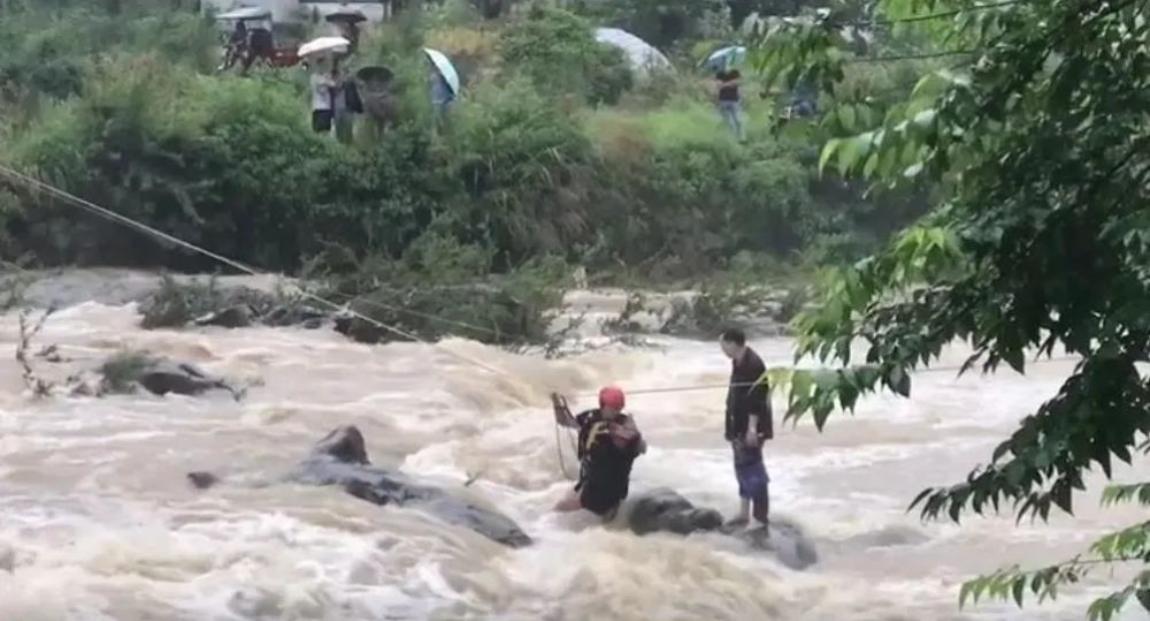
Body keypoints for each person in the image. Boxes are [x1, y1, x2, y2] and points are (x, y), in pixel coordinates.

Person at [551, 387, 646, 519]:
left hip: (611, 483)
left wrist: (627, 436)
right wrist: (557, 405)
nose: (615, 411)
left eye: (618, 408)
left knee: (563, 509)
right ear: (602, 405)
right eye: (612, 408)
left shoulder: (625, 424)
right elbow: (565, 422)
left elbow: (641, 447)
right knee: (560, 508)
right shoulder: (590, 418)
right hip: (592, 479)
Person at [719, 328, 772, 532]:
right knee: (741, 468)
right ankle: (743, 512)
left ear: (733, 343)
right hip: (737, 424)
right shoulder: (738, 361)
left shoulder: (753, 364)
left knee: (754, 470)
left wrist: (752, 429)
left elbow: (756, 401)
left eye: (723, 344)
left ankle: (760, 517)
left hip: (751, 427)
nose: (722, 349)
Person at [716, 68, 744, 141]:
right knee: (729, 122)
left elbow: (738, 83)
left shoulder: (735, 72)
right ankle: (731, 138)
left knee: (738, 121)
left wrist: (725, 85)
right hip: (724, 101)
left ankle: (739, 138)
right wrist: (730, 83)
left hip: (734, 101)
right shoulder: (720, 74)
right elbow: (719, 86)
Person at [310, 63, 337, 134]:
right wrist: (327, 79)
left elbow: (333, 84)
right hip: (319, 107)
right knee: (319, 131)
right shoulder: (315, 77)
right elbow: (330, 85)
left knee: (324, 131)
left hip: (324, 107)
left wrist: (327, 79)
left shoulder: (323, 77)